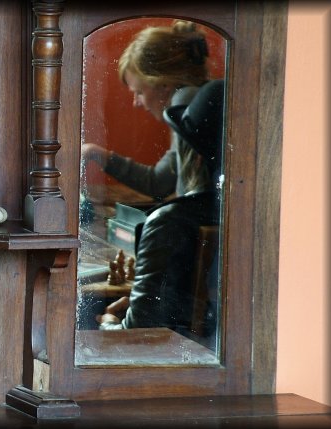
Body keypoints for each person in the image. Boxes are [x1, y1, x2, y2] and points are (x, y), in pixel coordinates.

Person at [97, 79, 225, 342]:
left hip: (170, 363)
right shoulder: (240, 217)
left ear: (194, 157)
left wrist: (107, 323)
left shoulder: (167, 223)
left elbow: (135, 338)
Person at [81, 20, 213, 200]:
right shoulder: (189, 109)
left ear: (164, 83)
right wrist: (94, 152)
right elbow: (159, 183)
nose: (136, 103)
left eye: (140, 92)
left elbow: (170, 190)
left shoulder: (184, 102)